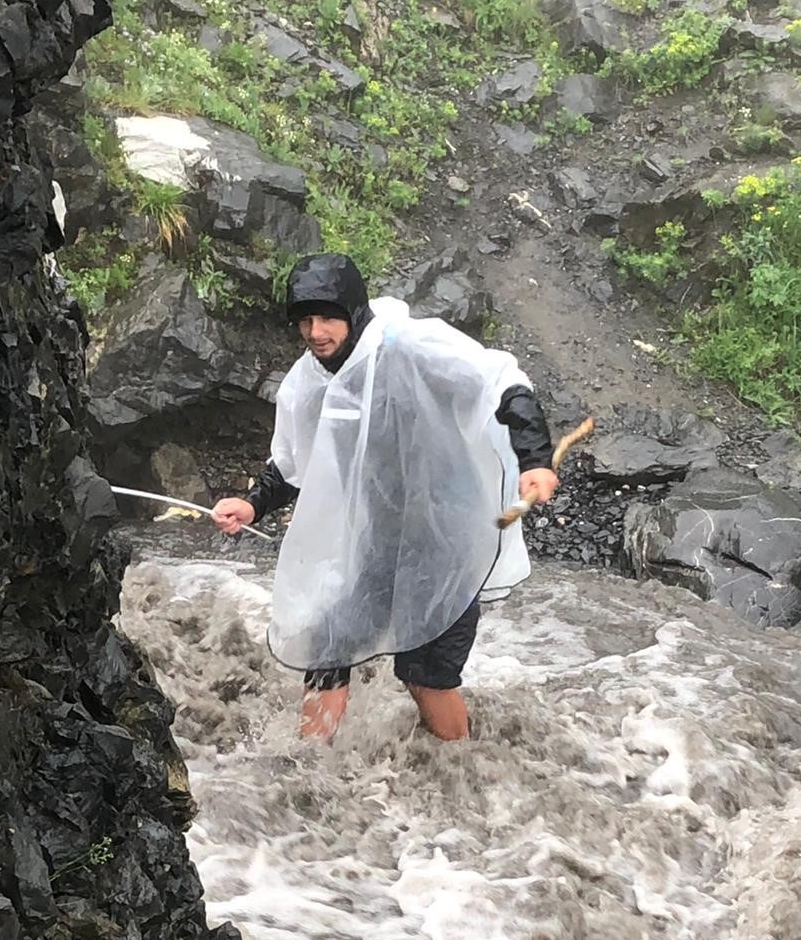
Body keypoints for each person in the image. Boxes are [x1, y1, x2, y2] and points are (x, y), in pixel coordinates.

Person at [213, 253, 558, 742]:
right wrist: (253, 504)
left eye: (328, 318)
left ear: (354, 312)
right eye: (305, 321)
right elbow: (297, 463)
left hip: (445, 541)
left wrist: (535, 460)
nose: (315, 333)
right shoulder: (308, 381)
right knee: (326, 649)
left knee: (425, 674)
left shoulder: (409, 346)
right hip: (372, 542)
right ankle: (307, 767)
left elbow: (503, 384)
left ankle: (461, 766)